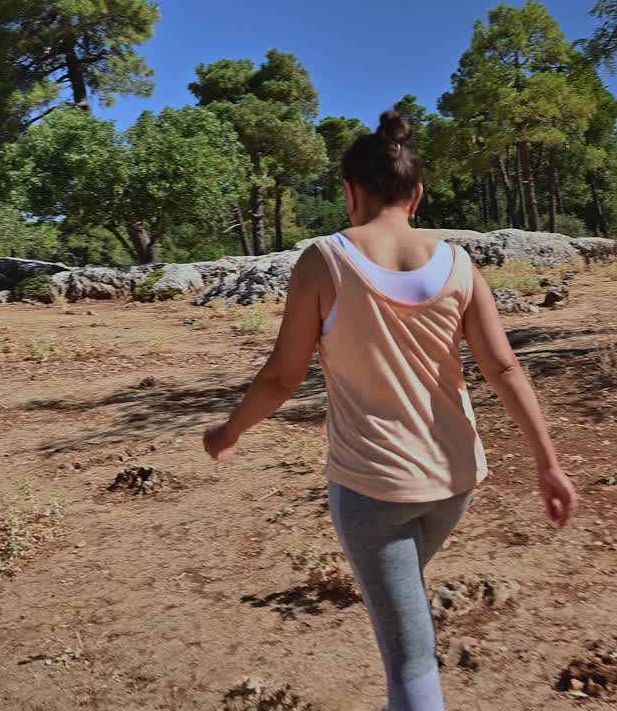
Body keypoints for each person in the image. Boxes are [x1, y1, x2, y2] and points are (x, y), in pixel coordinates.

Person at [203, 110, 579, 711]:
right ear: (418, 195)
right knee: (404, 615)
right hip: (455, 482)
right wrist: (548, 463)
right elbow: (505, 368)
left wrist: (228, 431)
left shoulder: (324, 261)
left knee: (409, 659)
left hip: (374, 490)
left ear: (350, 191)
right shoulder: (460, 264)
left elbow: (281, 377)